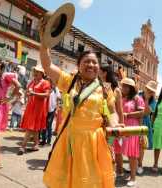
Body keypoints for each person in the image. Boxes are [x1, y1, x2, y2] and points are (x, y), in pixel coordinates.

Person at [40, 38, 121, 187]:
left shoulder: (106, 89)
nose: (91, 65)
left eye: (94, 62)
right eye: (86, 61)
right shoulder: (69, 81)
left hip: (94, 142)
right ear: (78, 65)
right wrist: (45, 43)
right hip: (68, 138)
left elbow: (112, 112)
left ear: (98, 67)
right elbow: (47, 66)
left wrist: (114, 124)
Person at [18, 66, 51, 155]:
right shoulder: (32, 81)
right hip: (31, 107)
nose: (35, 73)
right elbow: (27, 91)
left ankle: (23, 146)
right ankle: (36, 145)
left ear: (42, 74)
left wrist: (34, 93)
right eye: (35, 71)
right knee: (35, 128)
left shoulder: (45, 82)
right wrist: (27, 95)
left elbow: (47, 94)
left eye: (38, 71)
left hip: (38, 108)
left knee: (30, 127)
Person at [99, 64, 124, 177]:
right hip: (99, 120)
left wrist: (121, 125)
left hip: (112, 121)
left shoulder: (115, 89)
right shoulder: (96, 86)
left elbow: (119, 109)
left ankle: (111, 171)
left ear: (104, 73)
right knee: (100, 146)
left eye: (99, 71)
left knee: (109, 146)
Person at [119, 78, 145, 187]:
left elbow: (142, 113)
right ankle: (131, 175)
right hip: (124, 127)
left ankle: (133, 177)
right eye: (123, 85)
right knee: (128, 153)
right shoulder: (122, 98)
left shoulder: (137, 98)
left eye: (126, 86)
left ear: (131, 88)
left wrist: (127, 115)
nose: (123, 88)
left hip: (133, 128)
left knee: (132, 154)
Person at [138, 81, 157, 175]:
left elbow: (146, 113)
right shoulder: (137, 95)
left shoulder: (153, 101)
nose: (149, 91)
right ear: (145, 88)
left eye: (151, 91)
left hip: (145, 122)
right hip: (134, 121)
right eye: (148, 89)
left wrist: (146, 100)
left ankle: (140, 164)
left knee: (141, 145)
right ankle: (132, 162)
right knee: (132, 143)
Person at [40, 78, 60, 146]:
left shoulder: (56, 89)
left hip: (52, 110)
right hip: (45, 109)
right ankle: (43, 140)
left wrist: (57, 109)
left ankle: (48, 141)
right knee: (44, 125)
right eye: (49, 81)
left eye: (51, 81)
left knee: (48, 125)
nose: (51, 83)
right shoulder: (47, 88)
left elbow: (58, 99)